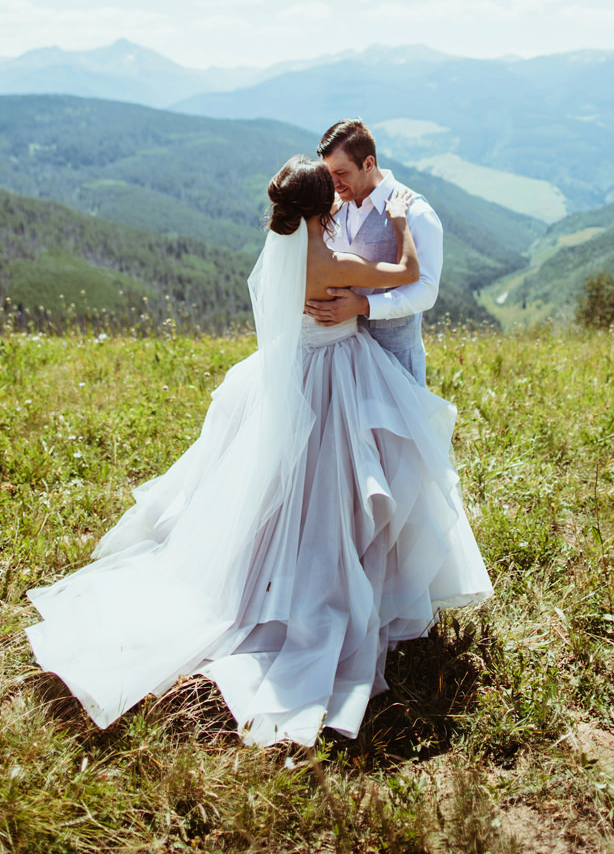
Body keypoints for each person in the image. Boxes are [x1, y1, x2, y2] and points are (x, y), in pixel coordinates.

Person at [26, 155, 492, 746]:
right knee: (339, 490)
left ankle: (272, 575)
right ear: (326, 208)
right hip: (336, 378)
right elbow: (406, 271)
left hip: (294, 369)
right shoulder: (334, 261)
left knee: (283, 487)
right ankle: (333, 585)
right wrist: (398, 221)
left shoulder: (287, 252)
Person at [306, 119, 442, 385]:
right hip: (340, 361)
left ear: (368, 164)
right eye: (328, 175)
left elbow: (427, 290)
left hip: (395, 360)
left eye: (341, 173)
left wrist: (364, 306)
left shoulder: (416, 212)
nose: (334, 184)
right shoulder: (331, 208)